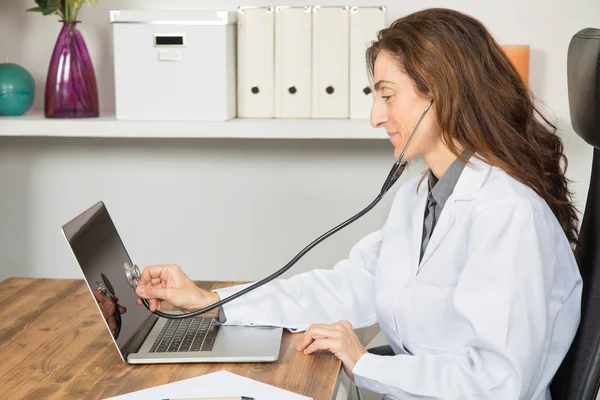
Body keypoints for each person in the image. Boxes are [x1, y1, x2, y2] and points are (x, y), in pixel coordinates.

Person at [133, 8, 582, 400]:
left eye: (387, 96)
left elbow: (501, 382)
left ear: (441, 94)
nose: (376, 117)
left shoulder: (506, 213)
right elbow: (350, 285)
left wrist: (364, 362)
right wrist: (210, 301)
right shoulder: (422, 194)